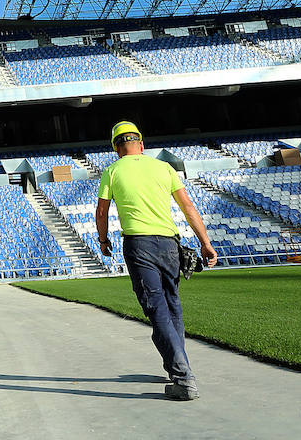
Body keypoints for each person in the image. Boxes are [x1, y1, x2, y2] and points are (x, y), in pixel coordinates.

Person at [96, 120, 218, 401]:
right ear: (141, 144)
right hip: (169, 244)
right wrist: (205, 243)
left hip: (139, 244)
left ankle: (183, 377)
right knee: (172, 304)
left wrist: (103, 240)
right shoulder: (164, 168)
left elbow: (102, 212)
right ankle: (178, 365)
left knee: (156, 307)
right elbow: (188, 206)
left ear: (117, 148)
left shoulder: (112, 171)